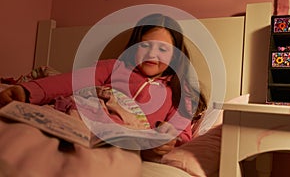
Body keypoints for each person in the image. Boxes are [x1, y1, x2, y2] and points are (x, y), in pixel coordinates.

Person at [0, 13, 207, 159]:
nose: (152, 54)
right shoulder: (113, 67)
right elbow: (68, 82)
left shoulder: (180, 92)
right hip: (77, 122)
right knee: (21, 136)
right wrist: (28, 91)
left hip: (125, 144)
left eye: (163, 49)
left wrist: (161, 144)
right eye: (144, 45)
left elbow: (182, 135)